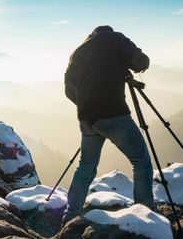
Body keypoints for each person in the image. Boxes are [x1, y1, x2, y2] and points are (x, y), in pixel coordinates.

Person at [62, 25, 154, 223]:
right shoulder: (115, 39)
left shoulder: (78, 51)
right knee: (141, 163)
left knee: (85, 167)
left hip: (87, 118)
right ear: (108, 32)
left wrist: (87, 105)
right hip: (114, 115)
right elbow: (141, 61)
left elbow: (69, 90)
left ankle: (70, 216)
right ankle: (146, 216)